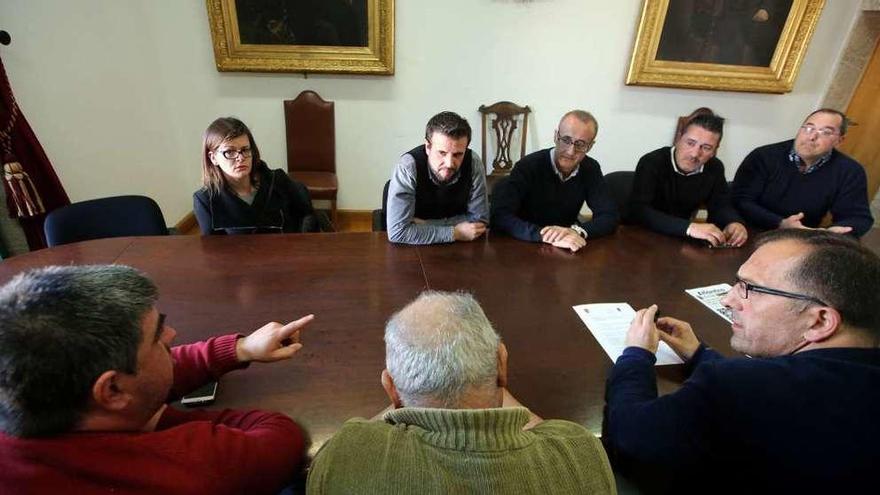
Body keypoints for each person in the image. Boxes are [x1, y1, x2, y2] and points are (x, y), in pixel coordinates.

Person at [604, 229, 880, 493]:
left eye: (750, 288)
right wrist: (701, 355)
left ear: (819, 321)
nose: (727, 299)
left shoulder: (735, 387)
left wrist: (636, 355)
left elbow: (629, 438)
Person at [0, 264, 312, 494]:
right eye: (157, 336)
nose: (172, 335)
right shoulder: (189, 467)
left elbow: (141, 376)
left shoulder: (26, 399)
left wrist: (239, 349)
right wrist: (159, 417)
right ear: (112, 392)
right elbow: (282, 436)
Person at [308, 291, 615, 494]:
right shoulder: (579, 454)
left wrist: (400, 397)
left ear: (391, 390)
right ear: (502, 365)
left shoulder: (343, 457)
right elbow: (540, 429)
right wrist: (493, 377)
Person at [732, 108, 873, 237]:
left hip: (804, 239)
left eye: (825, 132)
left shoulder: (849, 170)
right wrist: (780, 223)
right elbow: (740, 200)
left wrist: (834, 232)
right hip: (750, 232)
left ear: (839, 140)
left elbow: (859, 217)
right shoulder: (764, 156)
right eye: (809, 128)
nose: (811, 137)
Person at [491, 110, 618, 252]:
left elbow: (609, 215)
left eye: (580, 144)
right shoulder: (528, 166)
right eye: (566, 140)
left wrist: (577, 231)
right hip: (523, 247)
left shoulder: (590, 168)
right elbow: (501, 216)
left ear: (590, 146)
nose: (571, 151)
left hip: (565, 248)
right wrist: (548, 236)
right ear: (556, 136)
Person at [630, 110, 747, 247]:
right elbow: (640, 211)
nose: (695, 154)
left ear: (715, 150)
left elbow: (720, 204)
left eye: (706, 148)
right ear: (679, 138)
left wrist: (733, 222)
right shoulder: (652, 162)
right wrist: (689, 227)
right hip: (643, 238)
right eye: (690, 143)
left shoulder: (714, 167)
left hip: (682, 241)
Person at [193, 117, 317, 235]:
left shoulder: (276, 180)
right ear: (213, 158)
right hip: (239, 257)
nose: (240, 158)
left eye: (245, 150)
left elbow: (307, 216)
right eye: (229, 152)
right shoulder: (205, 200)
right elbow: (213, 250)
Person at [386, 111, 489, 244]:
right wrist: (455, 232)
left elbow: (479, 223)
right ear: (428, 147)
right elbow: (398, 232)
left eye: (458, 154)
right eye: (442, 153)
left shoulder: (473, 162)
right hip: (413, 250)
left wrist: (423, 224)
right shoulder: (408, 166)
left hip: (460, 253)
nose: (449, 163)